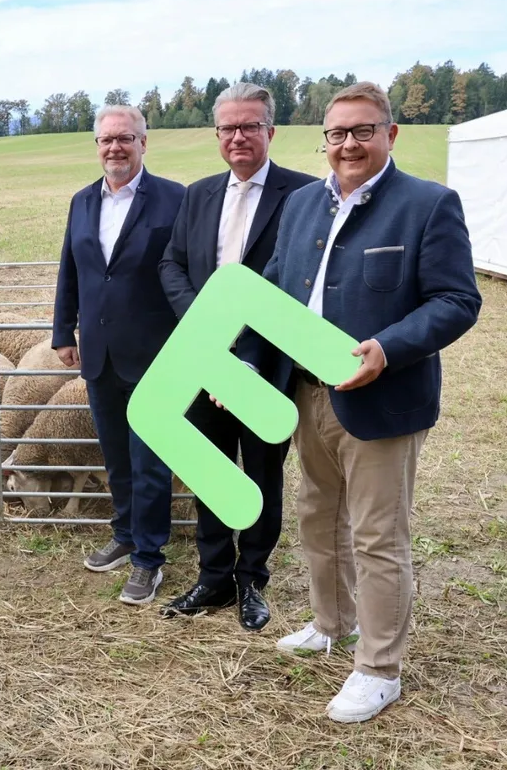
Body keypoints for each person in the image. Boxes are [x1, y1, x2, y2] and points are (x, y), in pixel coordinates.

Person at [238, 82, 482, 722]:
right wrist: (242, 360)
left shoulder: (428, 205)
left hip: (382, 399)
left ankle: (379, 668)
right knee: (318, 518)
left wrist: (386, 348)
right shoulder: (299, 207)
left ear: (391, 135)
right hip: (307, 391)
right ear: (325, 140)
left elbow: (457, 302)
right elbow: (272, 294)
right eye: (337, 133)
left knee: (377, 536)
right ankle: (331, 623)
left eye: (363, 131)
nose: (348, 144)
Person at [157, 83, 316, 630]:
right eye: (229, 127)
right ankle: (214, 576)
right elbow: (171, 266)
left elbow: (299, 284)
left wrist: (242, 351)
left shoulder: (303, 195)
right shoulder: (197, 194)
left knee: (262, 472)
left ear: (271, 131)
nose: (239, 136)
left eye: (250, 126)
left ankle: (253, 579)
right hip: (203, 359)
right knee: (210, 468)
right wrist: (205, 327)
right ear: (217, 135)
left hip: (265, 366)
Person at [52, 105, 186, 606]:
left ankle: (149, 559)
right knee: (115, 455)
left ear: (144, 143)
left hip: (155, 353)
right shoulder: (82, 202)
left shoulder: (174, 198)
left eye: (125, 139)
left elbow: (185, 271)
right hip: (99, 355)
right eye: (107, 140)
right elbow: (73, 269)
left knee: (150, 458)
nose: (115, 148)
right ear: (97, 146)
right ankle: (126, 532)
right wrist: (64, 330)